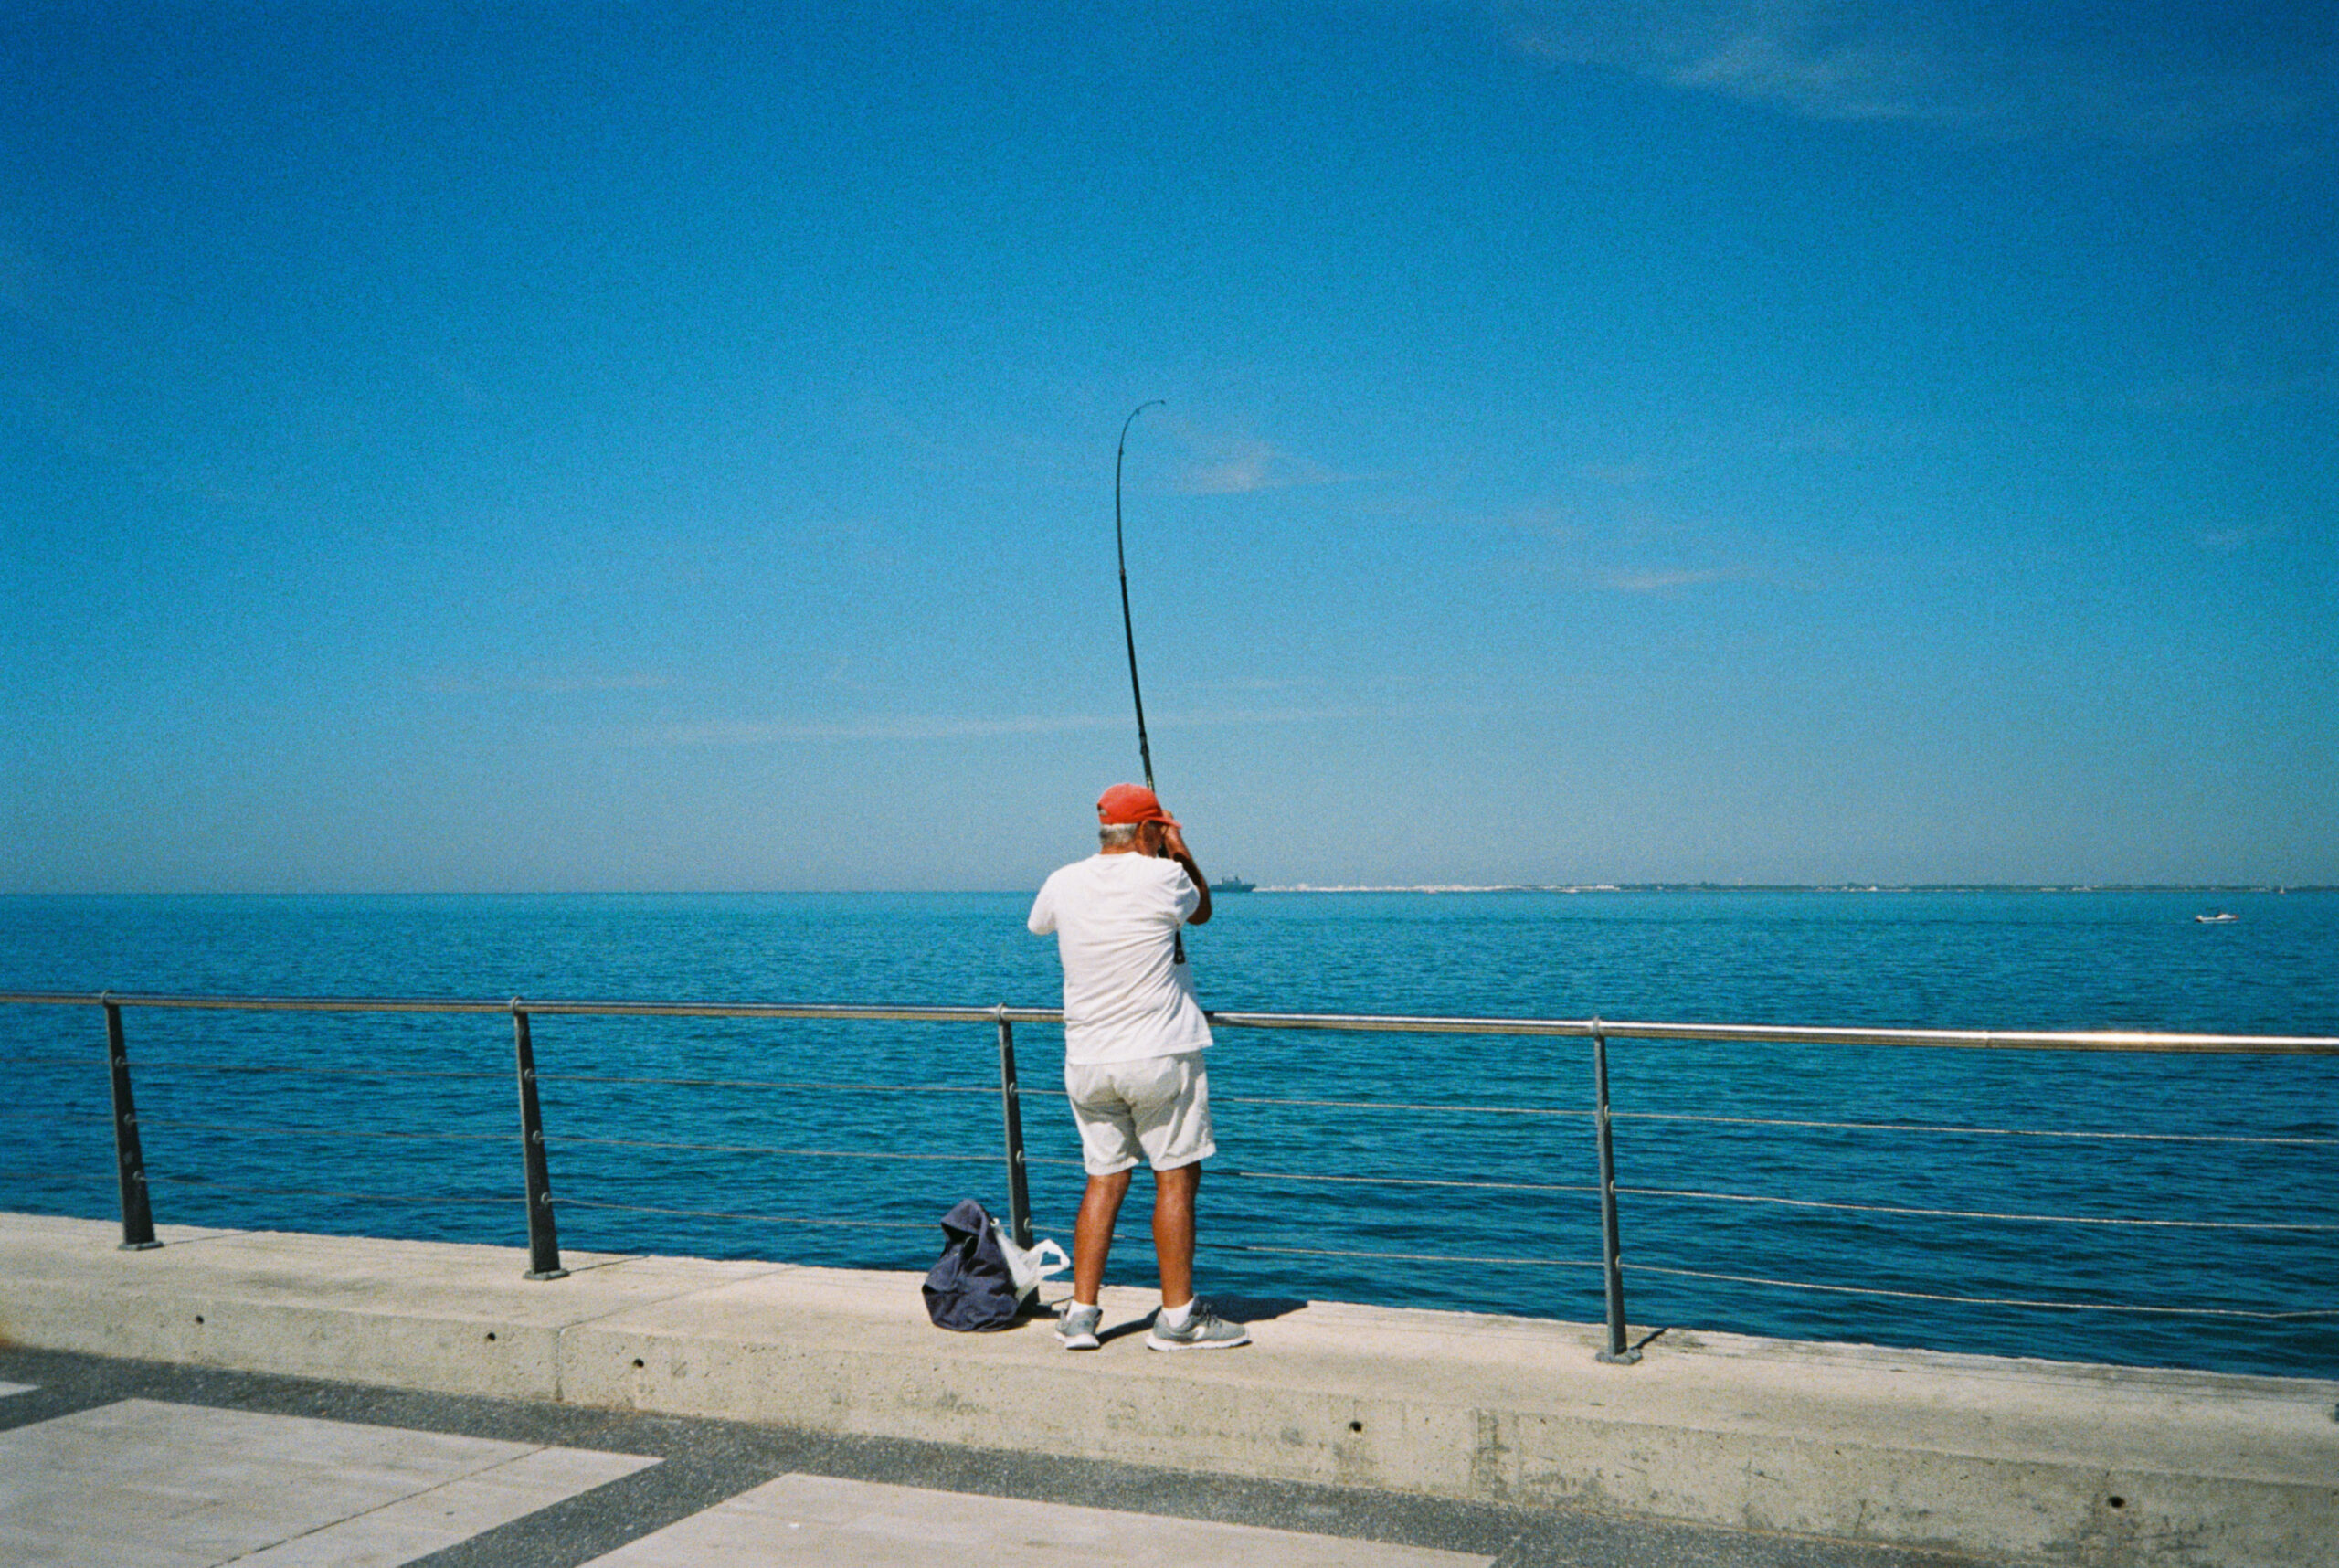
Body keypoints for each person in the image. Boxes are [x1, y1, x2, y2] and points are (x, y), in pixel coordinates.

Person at [1026, 783, 1250, 1351]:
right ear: (1148, 830)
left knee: (1103, 1179)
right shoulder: (1165, 876)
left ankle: (1081, 1315)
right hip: (1157, 1053)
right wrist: (1181, 850)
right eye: (1160, 829)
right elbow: (1202, 911)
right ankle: (1177, 1319)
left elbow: (1039, 924)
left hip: (1088, 1059)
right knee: (1174, 1177)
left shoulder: (1063, 880)